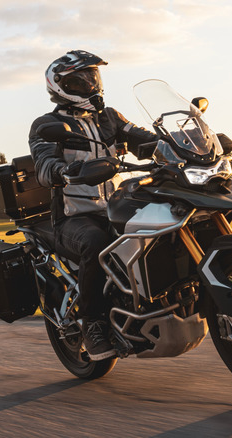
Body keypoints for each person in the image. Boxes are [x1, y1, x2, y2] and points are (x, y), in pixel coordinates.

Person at [28, 50, 159, 360]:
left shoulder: (109, 117)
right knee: (96, 242)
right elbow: (44, 166)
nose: (90, 84)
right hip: (74, 218)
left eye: (93, 77)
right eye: (80, 80)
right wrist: (66, 171)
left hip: (115, 206)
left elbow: (147, 140)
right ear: (60, 86)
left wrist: (185, 144)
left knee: (159, 224)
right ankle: (92, 323)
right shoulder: (47, 124)